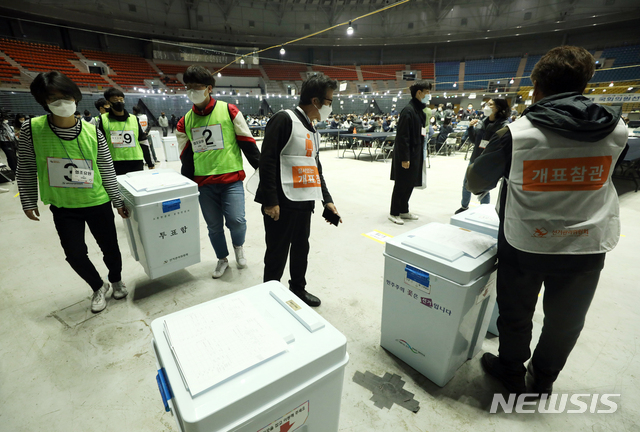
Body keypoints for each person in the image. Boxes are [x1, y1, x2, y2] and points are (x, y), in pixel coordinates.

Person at [467, 46, 628, 395]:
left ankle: (510, 371)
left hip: (526, 239)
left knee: (516, 314)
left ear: (536, 86)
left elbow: (476, 182)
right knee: (566, 321)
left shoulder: (517, 134)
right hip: (587, 241)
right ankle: (543, 379)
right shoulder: (617, 130)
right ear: (585, 83)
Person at [16, 71, 130, 314]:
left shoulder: (92, 132)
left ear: (75, 97)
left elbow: (106, 168)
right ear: (43, 102)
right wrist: (28, 199)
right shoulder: (32, 130)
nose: (62, 103)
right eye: (53, 98)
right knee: (75, 254)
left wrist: (117, 200)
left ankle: (117, 279)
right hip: (64, 206)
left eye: (66, 96)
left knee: (111, 247)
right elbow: (25, 166)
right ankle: (98, 286)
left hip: (96, 201)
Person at [255, 75, 341, 307]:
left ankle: (298, 289)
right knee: (277, 253)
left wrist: (327, 200)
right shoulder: (284, 120)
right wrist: (271, 201)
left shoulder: (313, 129)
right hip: (281, 204)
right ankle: (269, 296)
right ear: (315, 101)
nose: (330, 106)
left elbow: (315, 167)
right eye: (329, 101)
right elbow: (268, 161)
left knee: (301, 248)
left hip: (305, 201)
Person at [177, 65, 260, 278]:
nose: (192, 92)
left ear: (209, 88)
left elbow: (248, 144)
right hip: (204, 184)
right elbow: (186, 157)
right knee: (214, 227)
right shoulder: (184, 122)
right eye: (188, 87)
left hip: (231, 179)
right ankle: (222, 259)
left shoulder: (229, 111)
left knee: (237, 221)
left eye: (196, 87)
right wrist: (186, 186)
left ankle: (238, 248)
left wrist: (263, 171)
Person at [455, 98, 510, 214]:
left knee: (484, 188)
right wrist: (470, 128)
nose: (486, 106)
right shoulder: (481, 122)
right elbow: (475, 140)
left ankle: (484, 209)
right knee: (466, 184)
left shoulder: (503, 126)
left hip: (488, 161)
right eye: (486, 104)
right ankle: (464, 206)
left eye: (490, 104)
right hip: (475, 158)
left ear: (498, 108)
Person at [388, 80, 431, 225]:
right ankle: (394, 212)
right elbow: (403, 137)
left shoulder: (420, 111)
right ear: (419, 93)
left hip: (416, 153)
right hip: (406, 155)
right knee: (401, 184)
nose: (429, 95)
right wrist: (405, 158)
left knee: (410, 183)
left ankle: (404, 210)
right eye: (427, 92)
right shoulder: (408, 111)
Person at [97, 88, 152, 175]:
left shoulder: (134, 118)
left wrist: (149, 161)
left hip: (135, 160)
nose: (119, 102)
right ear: (108, 102)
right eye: (115, 100)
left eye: (121, 100)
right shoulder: (103, 119)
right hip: (114, 162)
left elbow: (143, 141)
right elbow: (99, 145)